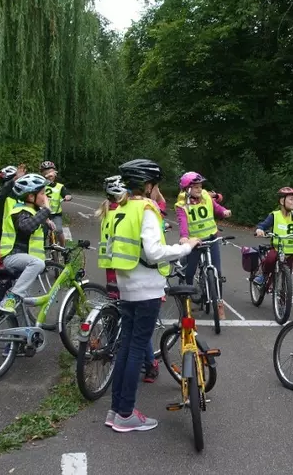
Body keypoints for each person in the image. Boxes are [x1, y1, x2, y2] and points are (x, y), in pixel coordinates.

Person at [105, 159, 199, 433]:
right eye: (157, 186)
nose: (158, 192)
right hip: (146, 287)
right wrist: (186, 247)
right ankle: (125, 414)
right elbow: (154, 252)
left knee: (126, 347)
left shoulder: (120, 208)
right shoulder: (146, 209)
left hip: (127, 284)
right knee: (136, 349)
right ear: (148, 186)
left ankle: (116, 410)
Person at [95, 175, 160, 383]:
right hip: (128, 271)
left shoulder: (106, 213)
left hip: (112, 273)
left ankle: (110, 351)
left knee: (118, 315)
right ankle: (150, 365)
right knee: (139, 327)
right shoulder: (125, 212)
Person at [175, 171, 231, 316]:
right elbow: (183, 224)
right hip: (195, 242)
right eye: (195, 187)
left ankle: (219, 303)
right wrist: (185, 237)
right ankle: (186, 299)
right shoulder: (181, 205)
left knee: (217, 272)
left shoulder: (206, 196)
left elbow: (216, 207)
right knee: (190, 272)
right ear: (187, 189)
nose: (199, 189)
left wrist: (223, 211)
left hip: (211, 237)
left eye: (200, 186)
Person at [0, 174, 50, 314]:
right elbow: (26, 227)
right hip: (12, 256)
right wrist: (46, 211)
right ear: (31, 197)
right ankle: (11, 298)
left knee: (24, 301)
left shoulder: (32, 211)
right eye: (43, 193)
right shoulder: (20, 211)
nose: (45, 197)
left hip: (23, 257)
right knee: (38, 264)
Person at [40, 161, 72, 246]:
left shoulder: (59, 186)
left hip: (56, 213)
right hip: (43, 213)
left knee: (58, 230)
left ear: (55, 174)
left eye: (51, 172)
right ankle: (43, 251)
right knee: (42, 233)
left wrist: (67, 196)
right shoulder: (41, 185)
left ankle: (63, 247)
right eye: (46, 173)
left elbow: (66, 193)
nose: (49, 175)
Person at [0, 164, 26, 240]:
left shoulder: (19, 195)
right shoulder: (1, 195)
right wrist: (14, 179)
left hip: (17, 229)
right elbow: (4, 191)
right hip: (5, 231)